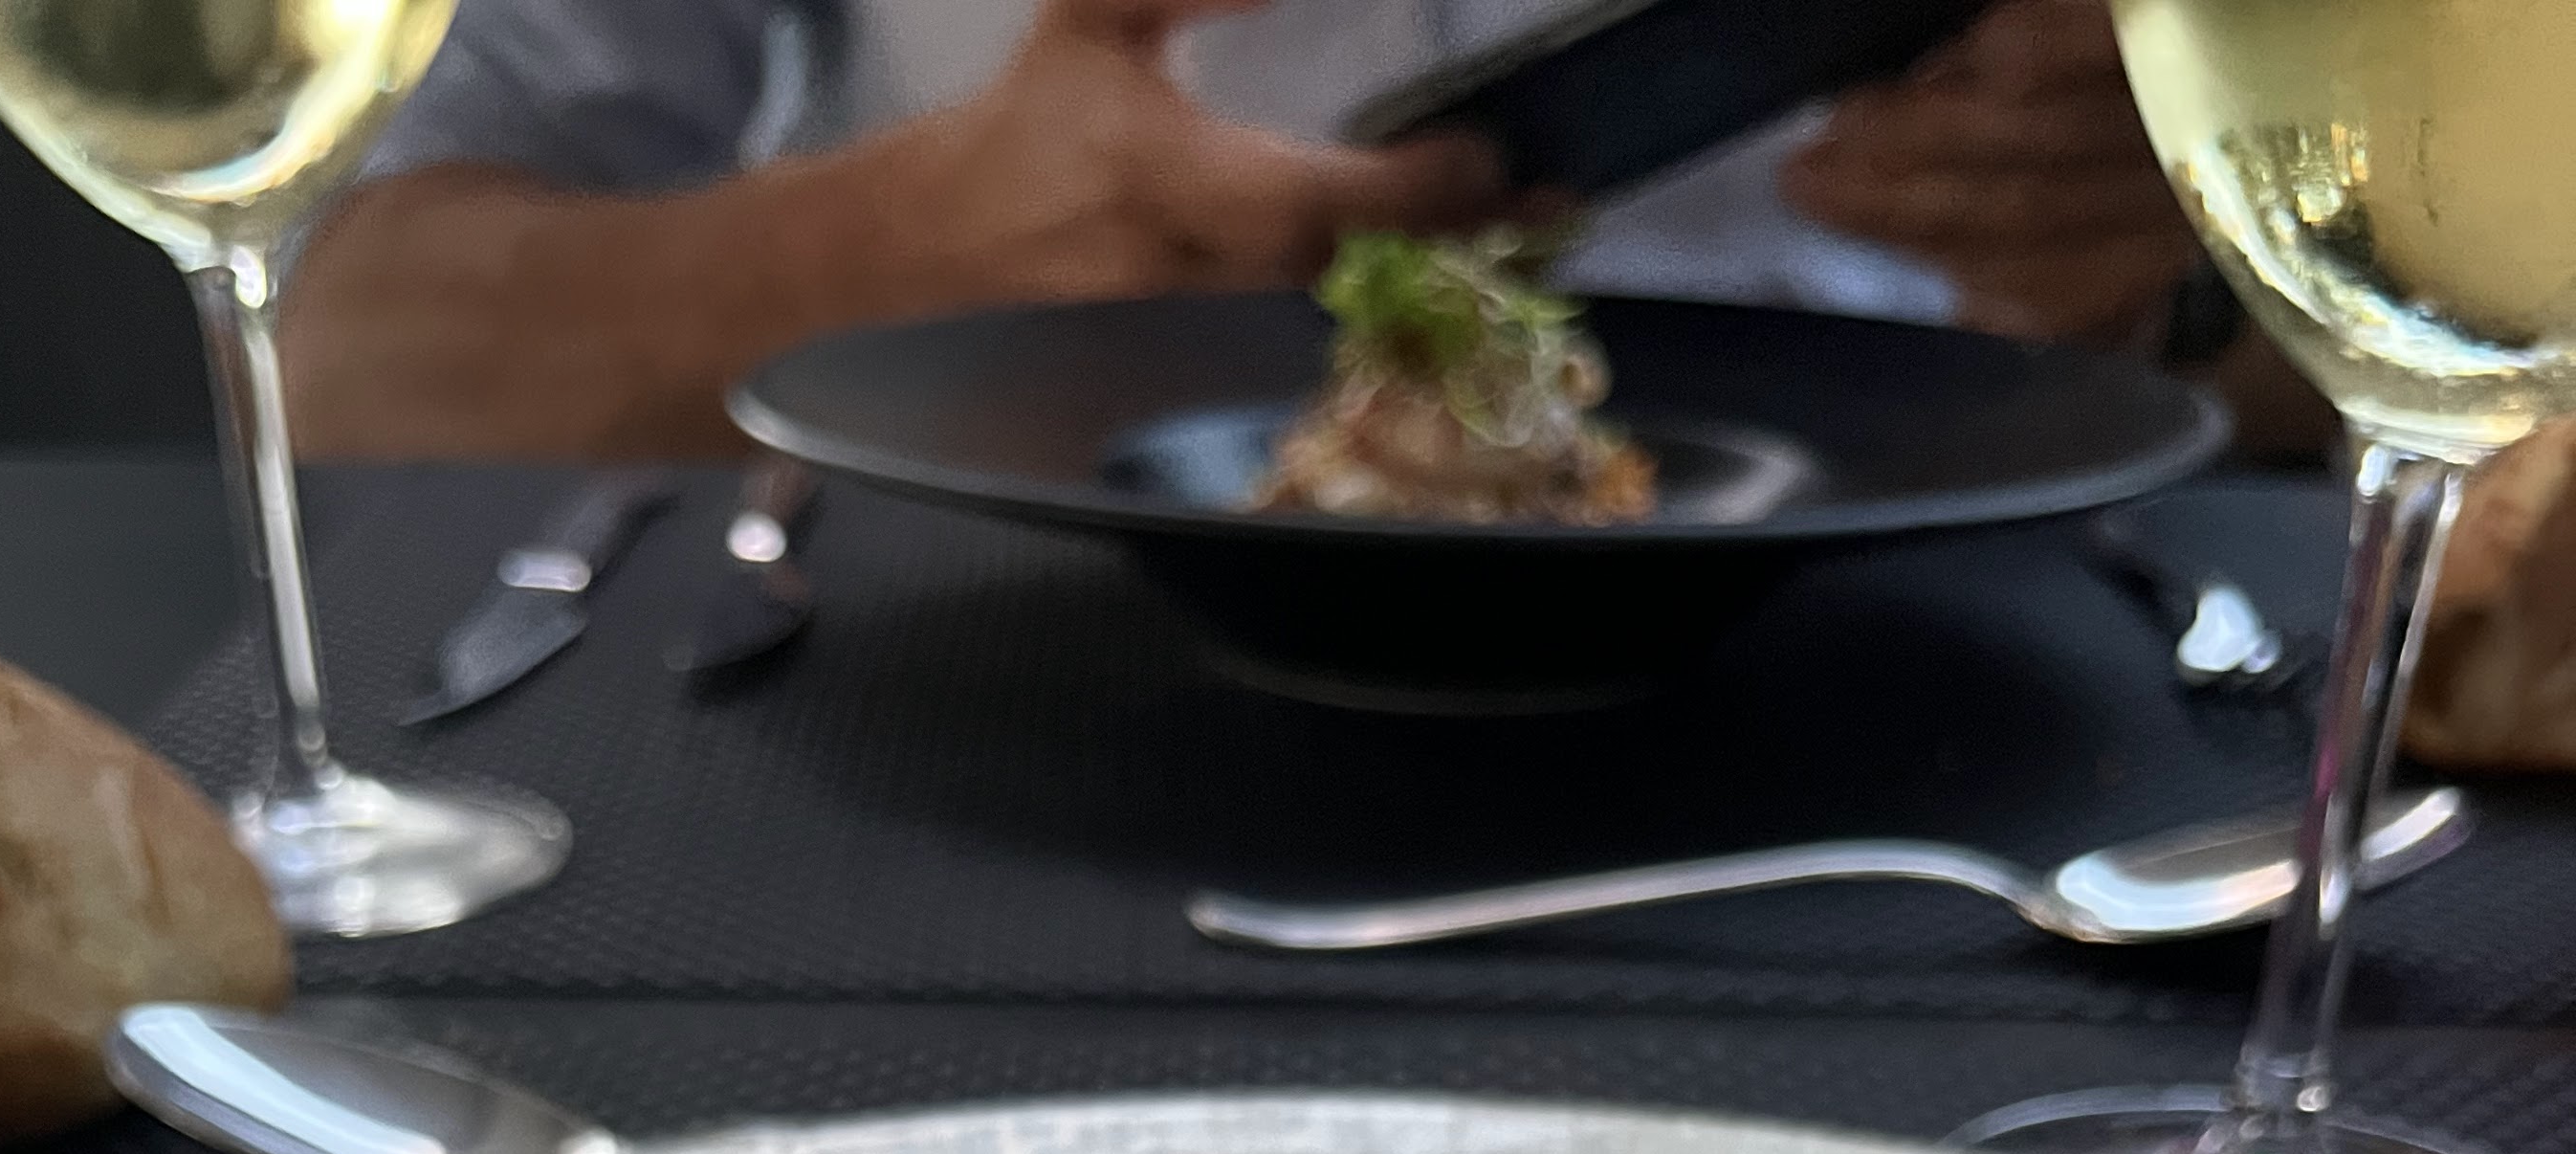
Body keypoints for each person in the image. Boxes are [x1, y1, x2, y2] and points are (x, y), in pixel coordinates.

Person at [282, 0, 2317, 463]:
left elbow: (2399, 394)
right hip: (967, 686)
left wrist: (2207, 280)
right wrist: (853, 271)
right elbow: (345, 349)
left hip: (1948, 693)